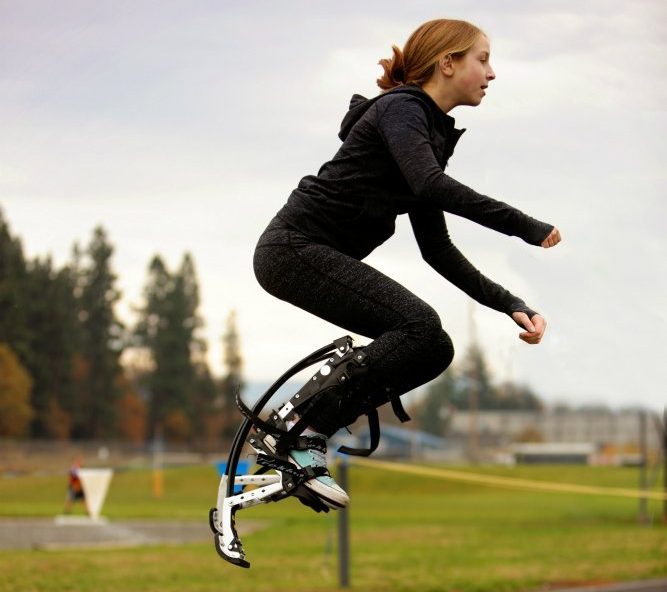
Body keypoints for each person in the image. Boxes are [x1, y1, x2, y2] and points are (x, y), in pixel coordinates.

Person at [252, 18, 561, 509]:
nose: (492, 73)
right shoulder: (403, 110)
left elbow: (436, 249)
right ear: (447, 63)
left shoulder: (422, 136)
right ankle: (302, 430)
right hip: (292, 249)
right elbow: (432, 186)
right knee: (418, 326)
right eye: (483, 59)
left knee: (432, 347)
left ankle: (306, 428)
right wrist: (524, 226)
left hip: (305, 254)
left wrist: (508, 302)